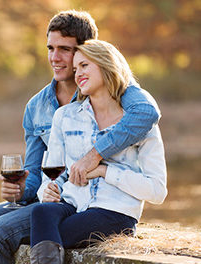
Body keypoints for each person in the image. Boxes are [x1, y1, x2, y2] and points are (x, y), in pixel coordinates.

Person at [0, 10, 161, 264]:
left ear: (88, 51)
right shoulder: (37, 107)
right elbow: (35, 176)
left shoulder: (122, 94)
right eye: (50, 48)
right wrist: (19, 189)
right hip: (50, 202)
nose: (55, 57)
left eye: (64, 49)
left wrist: (94, 158)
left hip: (82, 205)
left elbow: (148, 113)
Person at [30, 40, 168, 264]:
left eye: (84, 66)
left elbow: (157, 191)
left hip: (114, 212)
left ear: (106, 65)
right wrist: (47, 190)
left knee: (45, 233)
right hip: (72, 205)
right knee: (41, 213)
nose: (78, 74)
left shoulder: (138, 124)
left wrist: (105, 171)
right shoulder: (65, 116)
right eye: (75, 69)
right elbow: (51, 174)